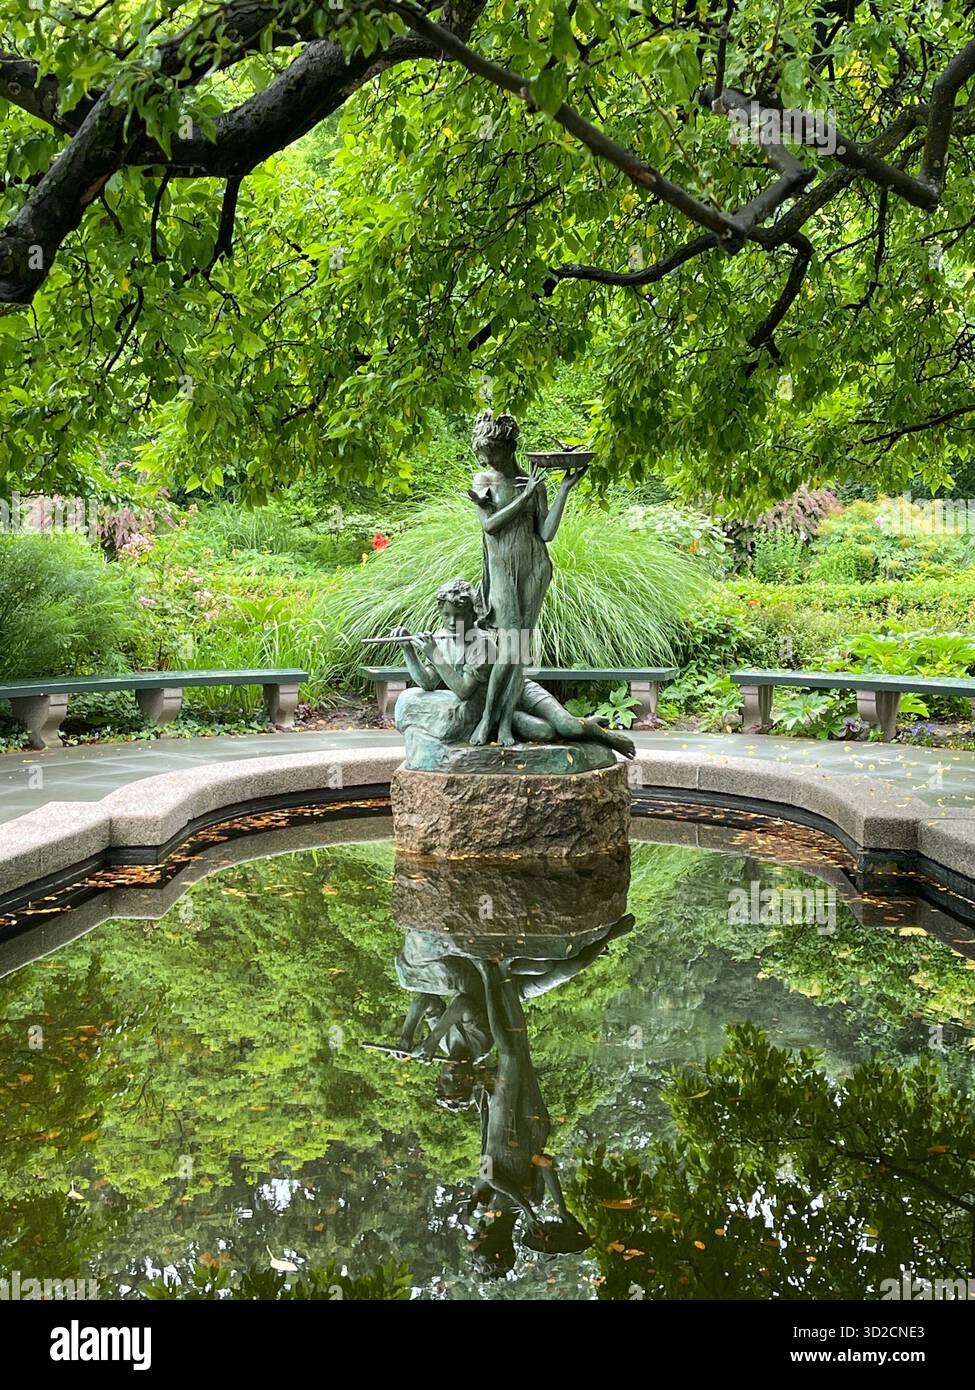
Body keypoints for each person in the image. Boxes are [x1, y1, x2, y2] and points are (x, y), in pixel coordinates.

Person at [394, 577, 636, 759]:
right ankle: (584, 723)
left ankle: (605, 736)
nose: (450, 621)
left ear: (472, 613)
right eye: (445, 615)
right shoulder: (442, 638)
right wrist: (409, 652)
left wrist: (435, 655)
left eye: (458, 615)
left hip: (518, 692)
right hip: (496, 710)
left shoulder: (482, 643)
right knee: (546, 734)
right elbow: (426, 683)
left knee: (566, 726)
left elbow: (464, 691)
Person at [466, 410, 587, 745]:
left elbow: (546, 533)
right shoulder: (485, 481)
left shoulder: (532, 482)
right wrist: (525, 496)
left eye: (492, 450)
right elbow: (490, 525)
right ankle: (489, 717)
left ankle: (505, 722)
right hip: (503, 570)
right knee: (509, 648)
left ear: (508, 447)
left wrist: (562, 488)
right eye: (484, 451)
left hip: (534, 567)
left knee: (520, 652)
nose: (486, 457)